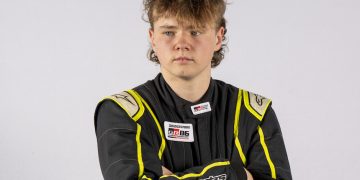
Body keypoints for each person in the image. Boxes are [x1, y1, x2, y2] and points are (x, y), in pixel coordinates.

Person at [94, 0, 292, 179]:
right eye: (169, 32)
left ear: (218, 37)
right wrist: (234, 174)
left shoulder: (254, 113)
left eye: (195, 31)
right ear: (153, 38)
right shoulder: (121, 113)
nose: (181, 44)